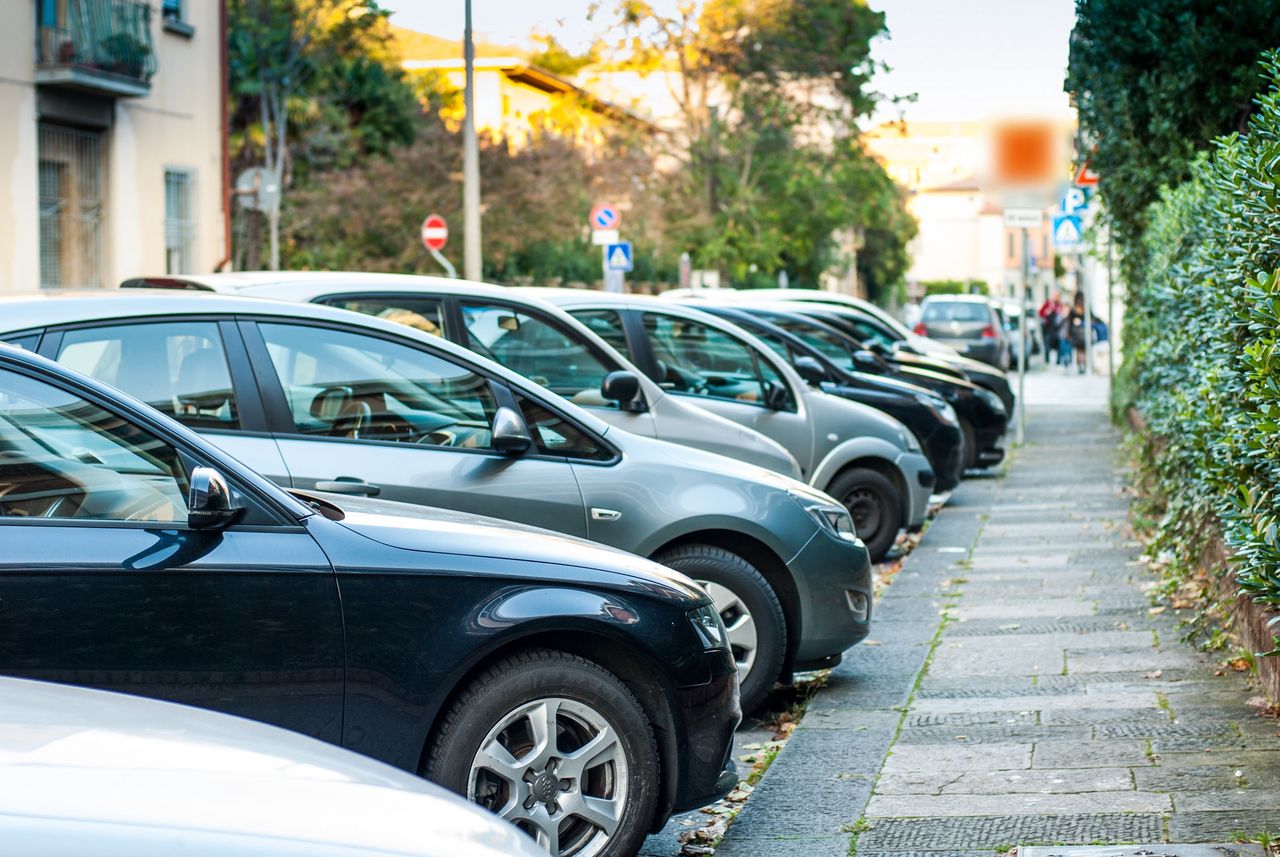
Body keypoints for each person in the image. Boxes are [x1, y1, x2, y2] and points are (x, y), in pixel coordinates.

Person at [1038, 293, 1062, 365]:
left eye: (1057, 296)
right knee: (1047, 344)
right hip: (1048, 328)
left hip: (1057, 329)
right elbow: (1040, 313)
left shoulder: (1059, 305)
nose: (1055, 298)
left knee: (1057, 345)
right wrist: (1047, 311)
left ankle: (1058, 360)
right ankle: (1047, 360)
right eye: (1054, 296)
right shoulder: (1048, 304)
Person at [1068, 291, 1088, 374]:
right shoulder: (1083, 310)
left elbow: (1069, 323)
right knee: (1081, 350)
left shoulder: (1075, 310)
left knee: (1080, 350)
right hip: (1081, 333)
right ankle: (1082, 365)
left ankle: (1081, 365)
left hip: (1078, 333)